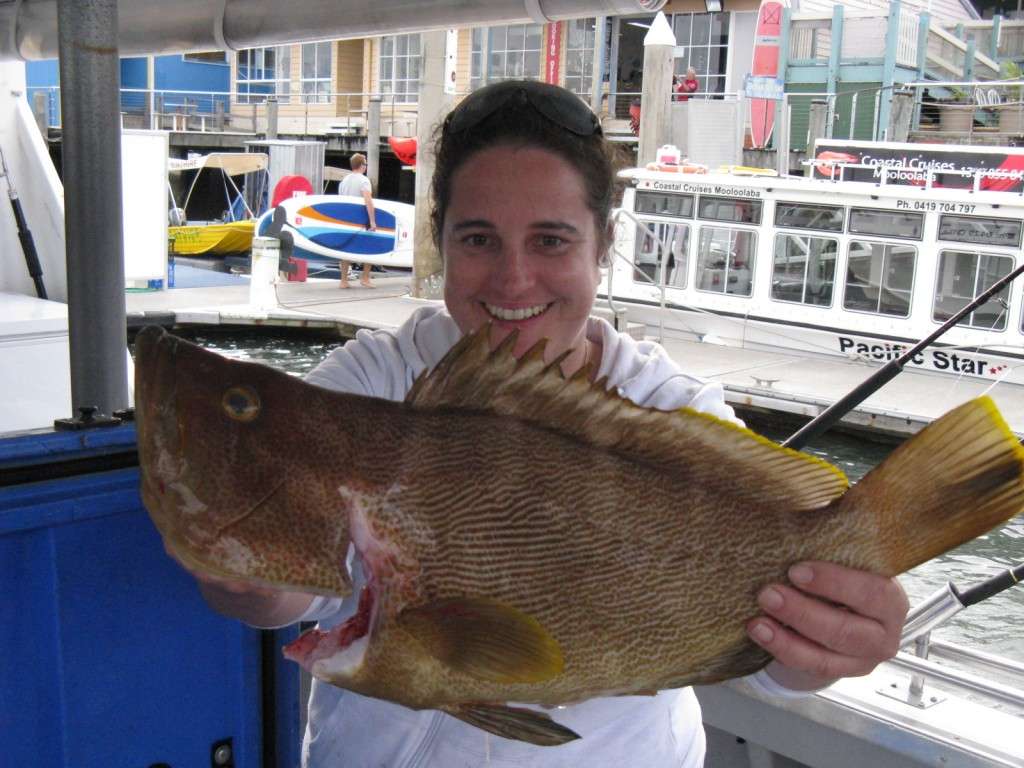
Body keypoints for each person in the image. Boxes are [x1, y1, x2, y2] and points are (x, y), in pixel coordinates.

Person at [175, 80, 910, 767]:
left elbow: (770, 668)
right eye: (478, 239)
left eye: (551, 241)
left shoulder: (670, 412)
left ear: (602, 246)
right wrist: (239, 574)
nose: (514, 279)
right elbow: (281, 595)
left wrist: (826, 645)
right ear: (442, 240)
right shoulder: (371, 385)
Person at [338, 152, 376, 288]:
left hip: (346, 219)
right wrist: (372, 220)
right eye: (365, 163)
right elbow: (368, 201)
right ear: (362, 166)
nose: (366, 166)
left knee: (345, 249)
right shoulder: (364, 180)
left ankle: (343, 280)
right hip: (360, 219)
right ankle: (365, 278)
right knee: (369, 247)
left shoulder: (344, 180)